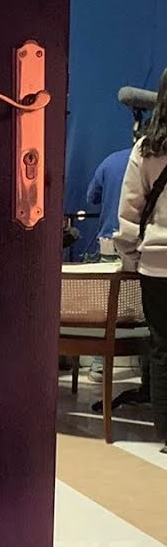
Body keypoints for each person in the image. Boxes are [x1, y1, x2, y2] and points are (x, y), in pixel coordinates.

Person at [114, 68, 167, 453]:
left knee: (162, 349)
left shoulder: (147, 149)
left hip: (157, 265)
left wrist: (131, 259)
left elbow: (129, 213)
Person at [83, 121, 146, 381]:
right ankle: (147, 368)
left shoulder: (110, 161)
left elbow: (92, 198)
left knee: (106, 306)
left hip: (109, 240)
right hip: (143, 245)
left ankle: (99, 364)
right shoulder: (152, 162)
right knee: (146, 306)